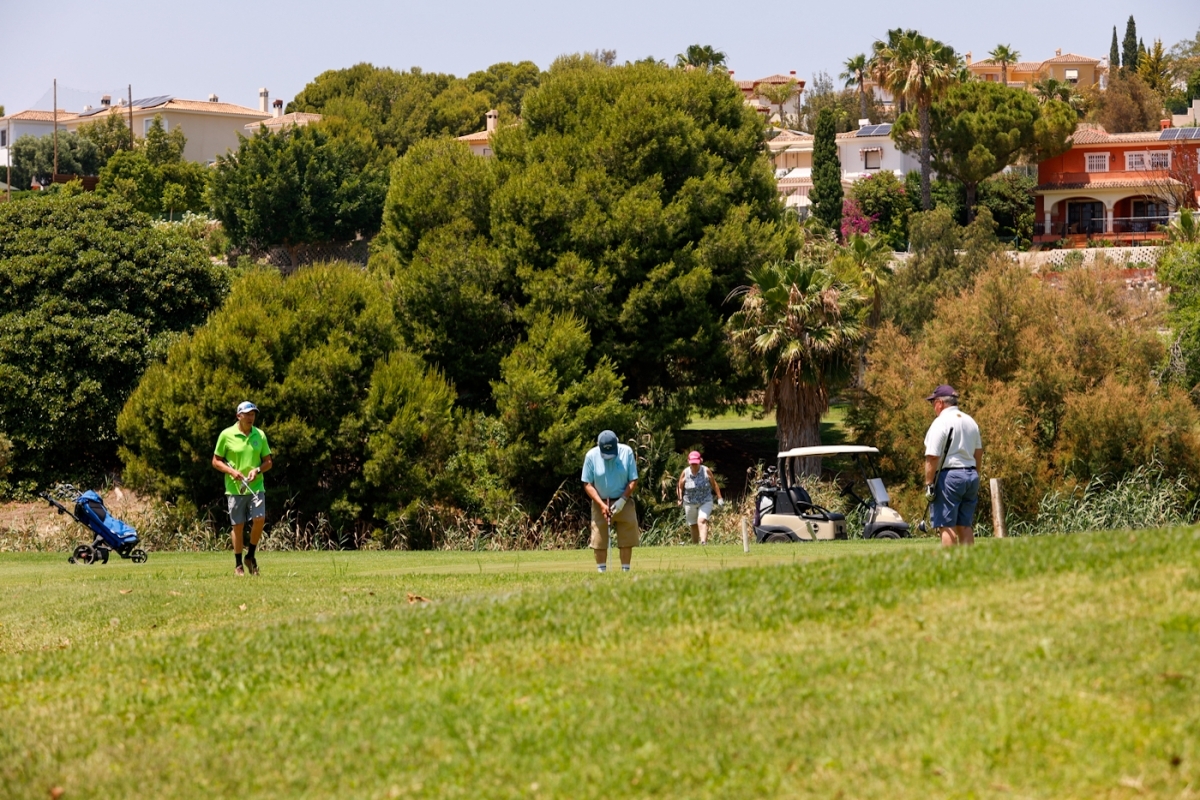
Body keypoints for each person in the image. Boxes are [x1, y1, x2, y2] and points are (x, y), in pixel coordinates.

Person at [212, 401, 273, 576]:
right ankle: (238, 564)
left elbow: (268, 462)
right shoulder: (226, 435)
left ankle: (251, 556)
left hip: (256, 485)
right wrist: (231, 471)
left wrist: (258, 469)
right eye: (247, 414)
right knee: (237, 526)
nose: (251, 417)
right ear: (239, 416)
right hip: (235, 488)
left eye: (253, 414)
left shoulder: (259, 435)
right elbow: (216, 461)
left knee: (259, 519)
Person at [923, 385, 983, 547]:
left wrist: (929, 484)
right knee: (964, 525)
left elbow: (933, 456)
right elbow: (978, 453)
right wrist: (975, 474)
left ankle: (951, 566)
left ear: (940, 403)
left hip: (949, 477)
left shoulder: (940, 422)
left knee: (947, 526)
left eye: (933, 403)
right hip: (971, 475)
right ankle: (968, 564)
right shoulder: (970, 421)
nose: (933, 407)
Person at [581, 430, 639, 573]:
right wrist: (601, 505)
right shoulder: (591, 456)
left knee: (626, 539)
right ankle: (602, 573)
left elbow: (633, 479)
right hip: (600, 501)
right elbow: (587, 483)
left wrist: (622, 501)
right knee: (599, 540)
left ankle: (626, 572)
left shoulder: (627, 452)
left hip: (623, 500)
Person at [676, 451, 724, 545]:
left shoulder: (706, 470)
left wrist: (719, 498)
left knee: (701, 520)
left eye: (696, 463)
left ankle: (703, 543)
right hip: (689, 501)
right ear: (688, 461)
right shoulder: (685, 472)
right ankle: (695, 545)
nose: (694, 465)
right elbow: (680, 487)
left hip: (705, 500)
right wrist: (680, 498)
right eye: (692, 463)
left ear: (700, 461)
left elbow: (714, 484)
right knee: (693, 524)